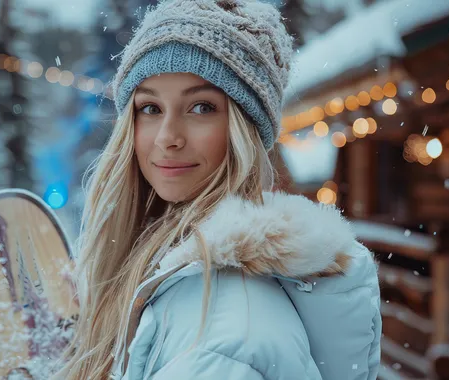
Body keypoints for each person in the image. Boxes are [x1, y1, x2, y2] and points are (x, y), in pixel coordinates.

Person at [53, 0, 382, 379]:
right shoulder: (171, 280)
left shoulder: (226, 339)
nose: (167, 138)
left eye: (201, 108)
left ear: (245, 129)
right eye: (150, 108)